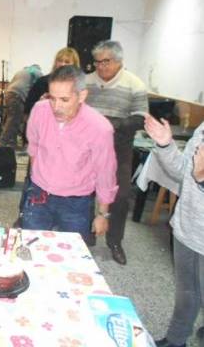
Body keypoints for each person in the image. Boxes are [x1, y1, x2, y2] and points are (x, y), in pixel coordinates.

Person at [20, 65, 118, 242]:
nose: (56, 107)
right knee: (30, 247)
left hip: (76, 203)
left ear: (82, 96)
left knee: (72, 256)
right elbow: (33, 147)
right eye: (52, 98)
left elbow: (105, 172)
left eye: (64, 100)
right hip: (38, 194)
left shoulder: (99, 128)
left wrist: (103, 214)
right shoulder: (40, 110)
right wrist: (36, 181)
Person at [85, 40, 148, 265]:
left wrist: (112, 125)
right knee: (86, 191)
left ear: (119, 61)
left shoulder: (135, 84)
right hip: (89, 147)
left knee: (120, 196)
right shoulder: (87, 81)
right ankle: (87, 233)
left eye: (106, 62)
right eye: (97, 62)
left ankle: (115, 241)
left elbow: (141, 117)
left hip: (120, 147)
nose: (101, 67)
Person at [144, 116, 204, 347]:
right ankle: (176, 340)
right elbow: (182, 172)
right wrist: (165, 144)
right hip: (187, 227)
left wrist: (201, 180)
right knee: (186, 292)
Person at [24, 47, 80, 115]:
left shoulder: (78, 86)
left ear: (74, 65)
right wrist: (39, 103)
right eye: (60, 60)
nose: (62, 64)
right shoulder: (42, 82)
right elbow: (27, 107)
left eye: (67, 62)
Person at [0, 64, 42, 149]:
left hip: (9, 93)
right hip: (18, 95)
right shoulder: (38, 73)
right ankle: (4, 143)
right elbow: (37, 89)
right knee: (13, 120)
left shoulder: (21, 71)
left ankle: (12, 143)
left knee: (13, 119)